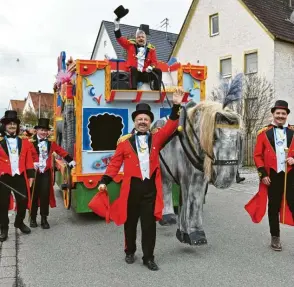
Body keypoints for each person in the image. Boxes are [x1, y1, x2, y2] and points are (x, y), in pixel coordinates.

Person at [97, 87, 184, 271]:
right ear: (135, 122)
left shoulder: (157, 138)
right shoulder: (124, 142)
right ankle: (130, 251)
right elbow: (114, 164)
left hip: (150, 189)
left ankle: (148, 257)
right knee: (130, 224)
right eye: (139, 119)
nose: (142, 122)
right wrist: (104, 180)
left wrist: (176, 105)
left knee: (149, 226)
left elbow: (171, 125)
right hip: (131, 190)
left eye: (146, 119)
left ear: (150, 122)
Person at [245, 100, 294, 251]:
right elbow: (257, 155)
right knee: (273, 207)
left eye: (283, 113)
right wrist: (263, 174)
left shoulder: (293, 132)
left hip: (291, 174)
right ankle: (275, 237)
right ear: (273, 114)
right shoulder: (263, 133)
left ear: (287, 115)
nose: (280, 116)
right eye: (278, 113)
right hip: (273, 175)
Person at [29, 118, 76, 229]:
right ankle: (32, 218)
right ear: (37, 130)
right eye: (42, 130)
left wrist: (71, 160)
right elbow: (23, 156)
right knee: (33, 195)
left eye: (46, 130)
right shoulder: (30, 143)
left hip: (45, 172)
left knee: (45, 195)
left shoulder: (51, 143)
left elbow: (61, 151)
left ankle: (44, 219)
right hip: (34, 173)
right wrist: (32, 164)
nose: (44, 132)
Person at [0, 110, 35, 242]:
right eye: (9, 124)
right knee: (2, 204)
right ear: (5, 125)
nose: (12, 126)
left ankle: (19, 222)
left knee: (23, 200)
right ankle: (4, 228)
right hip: (3, 177)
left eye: (14, 124)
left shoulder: (25, 142)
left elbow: (28, 160)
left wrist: (31, 175)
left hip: (19, 175)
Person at [113, 10, 162, 90]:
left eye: (142, 37)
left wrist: (151, 67)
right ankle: (133, 89)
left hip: (145, 73)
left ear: (146, 38)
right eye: (139, 37)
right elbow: (120, 39)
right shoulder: (130, 45)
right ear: (136, 39)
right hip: (134, 75)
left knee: (158, 71)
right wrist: (116, 26)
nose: (141, 39)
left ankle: (157, 90)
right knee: (133, 69)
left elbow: (154, 62)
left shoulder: (151, 49)